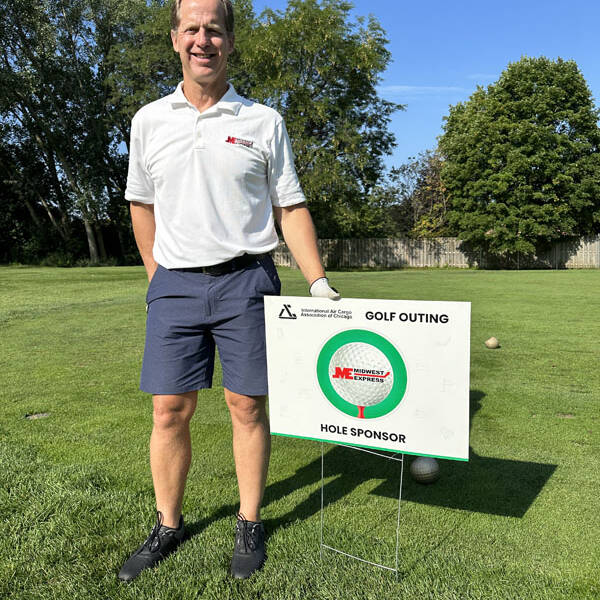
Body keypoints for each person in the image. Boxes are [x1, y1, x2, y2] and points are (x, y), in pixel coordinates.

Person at [118, 0, 339, 583]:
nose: (202, 39)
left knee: (246, 406)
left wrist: (317, 282)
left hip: (248, 280)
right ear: (174, 40)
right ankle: (168, 525)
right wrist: (155, 275)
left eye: (214, 29)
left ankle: (248, 521)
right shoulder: (149, 121)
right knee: (170, 411)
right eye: (191, 28)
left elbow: (288, 206)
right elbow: (141, 205)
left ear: (231, 41)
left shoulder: (263, 121)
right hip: (175, 285)